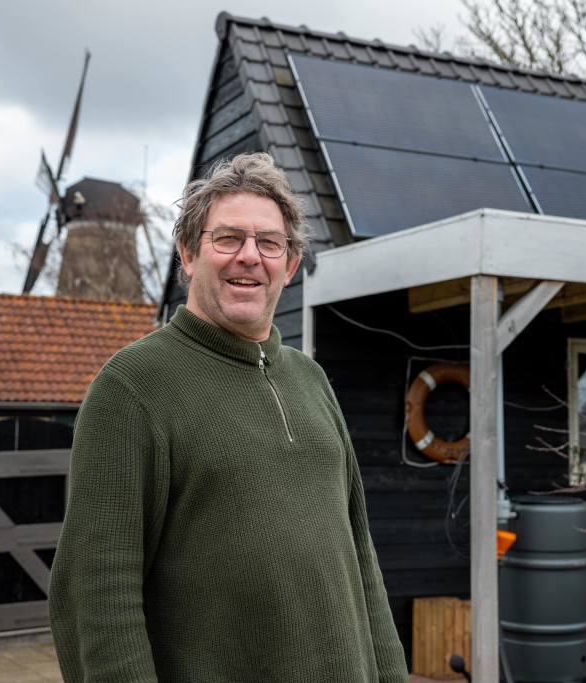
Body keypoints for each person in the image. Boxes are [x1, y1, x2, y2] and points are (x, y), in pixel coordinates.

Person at [49, 153, 408, 682]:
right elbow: (97, 593)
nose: (249, 256)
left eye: (269, 243)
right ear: (189, 253)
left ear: (289, 266)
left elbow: (360, 556)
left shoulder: (311, 381)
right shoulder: (132, 386)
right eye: (228, 239)